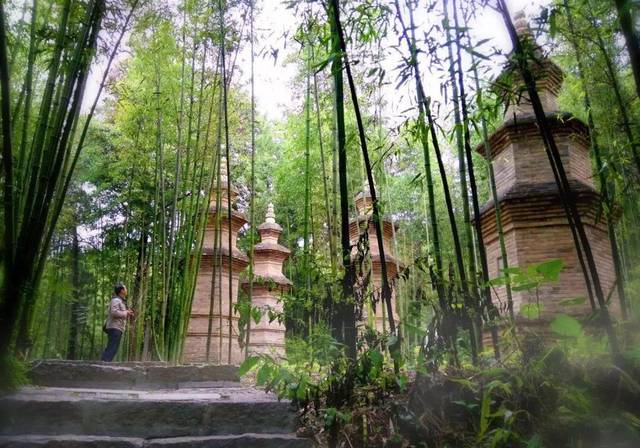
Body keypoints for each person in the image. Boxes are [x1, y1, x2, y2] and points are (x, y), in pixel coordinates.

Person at [100, 283, 134, 362]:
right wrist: (126, 312)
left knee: (113, 347)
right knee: (112, 347)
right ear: (122, 290)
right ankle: (103, 364)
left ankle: (104, 363)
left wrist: (127, 313)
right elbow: (114, 312)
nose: (126, 290)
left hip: (118, 327)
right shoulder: (116, 300)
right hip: (114, 327)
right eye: (125, 288)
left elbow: (119, 313)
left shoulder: (120, 301)